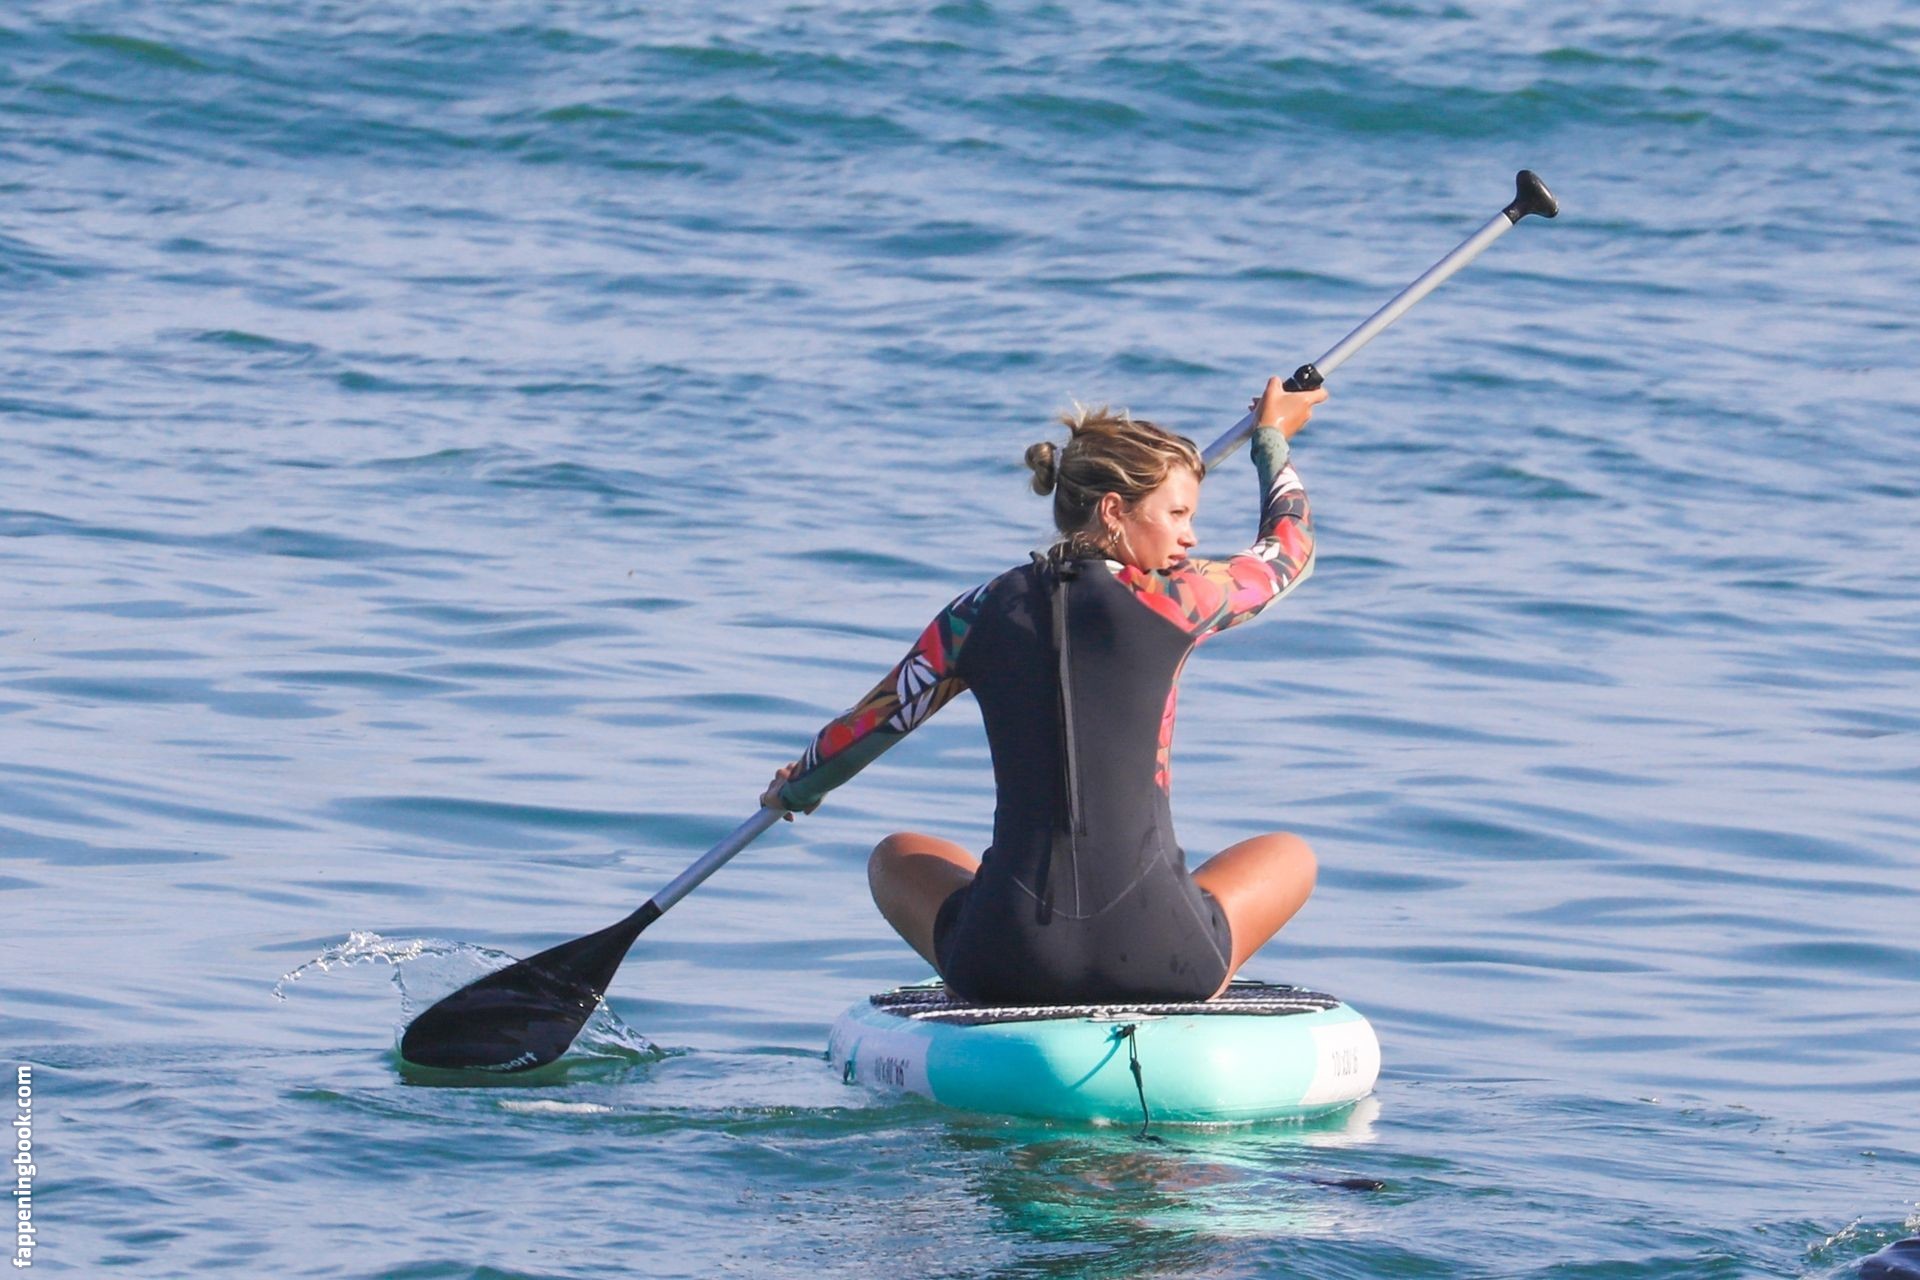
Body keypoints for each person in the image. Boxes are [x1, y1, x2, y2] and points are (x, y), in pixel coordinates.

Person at [762, 376, 1327, 1006]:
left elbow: (870, 726)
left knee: (894, 857)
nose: (1190, 537)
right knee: (1289, 855)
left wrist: (800, 785)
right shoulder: (1181, 597)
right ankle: (1189, 978)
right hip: (1166, 958)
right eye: (1177, 514)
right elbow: (1289, 554)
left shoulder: (977, 612)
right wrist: (1272, 442)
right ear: (1112, 510)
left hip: (1004, 962)